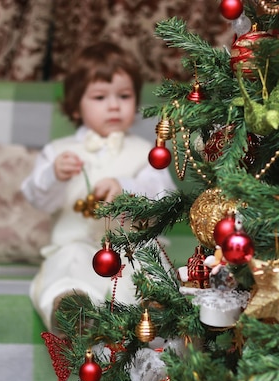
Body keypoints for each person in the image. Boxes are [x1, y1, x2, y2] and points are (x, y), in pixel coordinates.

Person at [21, 41, 177, 332]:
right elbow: (36, 197)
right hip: (77, 243)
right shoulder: (59, 151)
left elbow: (164, 196)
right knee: (67, 263)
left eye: (124, 95)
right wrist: (54, 175)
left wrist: (126, 186)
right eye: (100, 97)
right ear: (76, 105)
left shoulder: (148, 151)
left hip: (133, 245)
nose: (114, 105)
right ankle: (73, 309)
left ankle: (154, 309)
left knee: (148, 262)